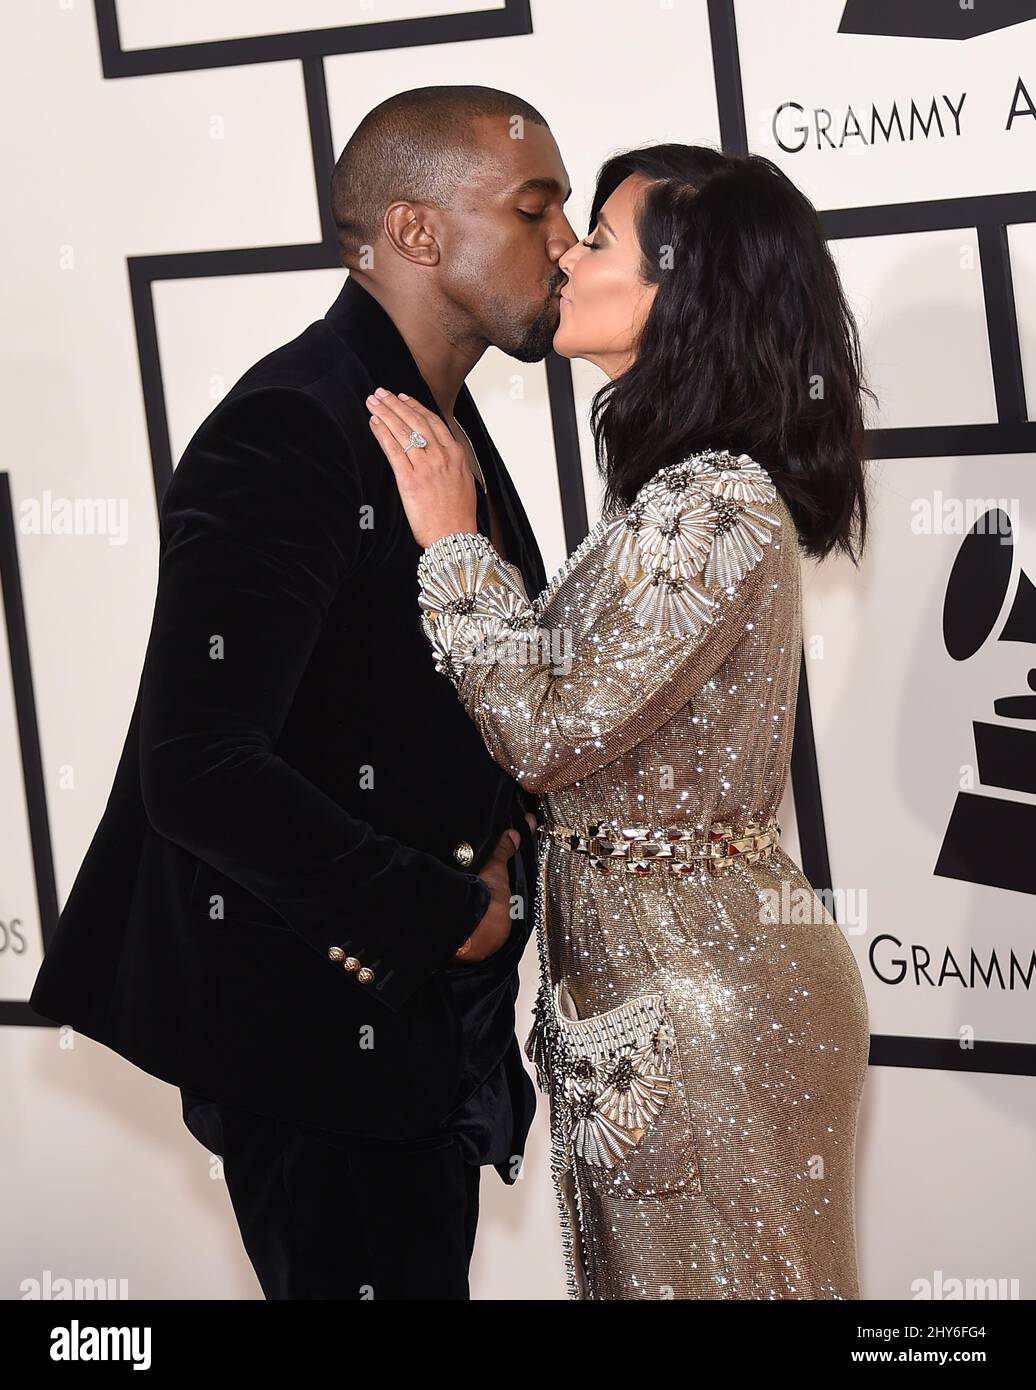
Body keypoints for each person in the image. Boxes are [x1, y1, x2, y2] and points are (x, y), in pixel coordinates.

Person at [28, 86, 579, 1300]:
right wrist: (449, 912)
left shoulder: (440, 423)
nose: (566, 241)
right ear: (417, 232)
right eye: (535, 207)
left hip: (417, 1036)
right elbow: (200, 766)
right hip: (315, 1039)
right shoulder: (291, 424)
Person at [365, 144, 874, 1300]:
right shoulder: (670, 492)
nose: (564, 254)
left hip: (703, 1003)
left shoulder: (719, 501)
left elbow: (546, 734)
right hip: (644, 988)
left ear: (679, 292)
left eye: (595, 238)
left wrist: (450, 544)